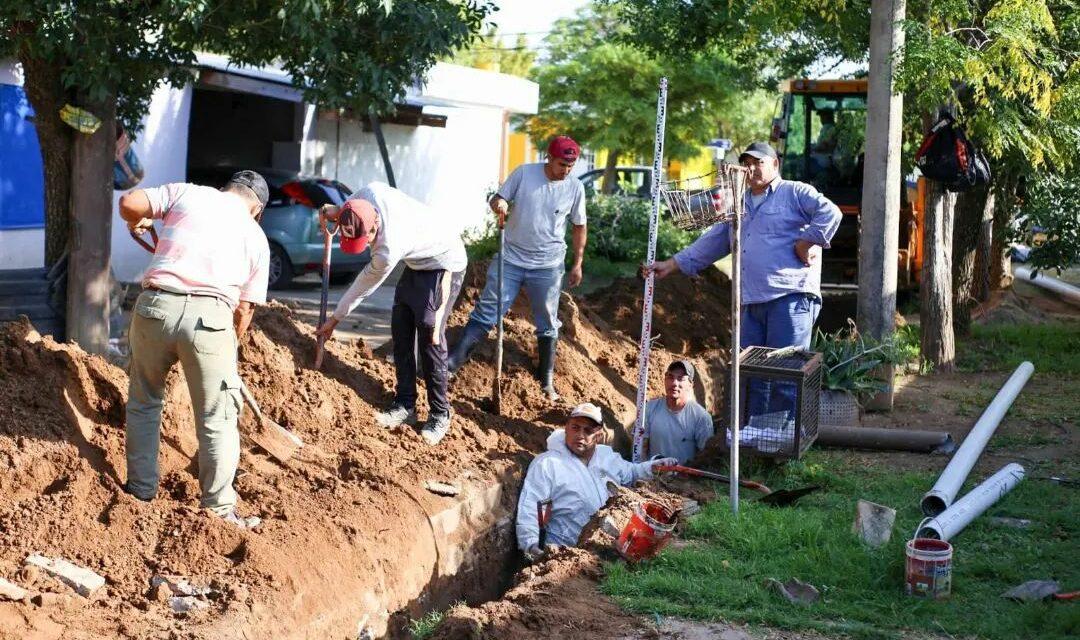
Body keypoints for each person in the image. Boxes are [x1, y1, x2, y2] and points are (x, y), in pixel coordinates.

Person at [647, 142, 842, 421]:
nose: (751, 168)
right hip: (750, 300)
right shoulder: (741, 203)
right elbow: (714, 241)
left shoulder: (795, 192)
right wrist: (672, 264)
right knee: (750, 374)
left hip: (790, 298)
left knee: (784, 372)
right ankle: (753, 438)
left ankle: (781, 443)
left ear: (775, 164)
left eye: (758, 162)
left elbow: (831, 213)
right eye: (746, 163)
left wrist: (806, 242)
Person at [119, 170, 271, 528]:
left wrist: (138, 218)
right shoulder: (256, 236)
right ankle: (218, 510)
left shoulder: (187, 193)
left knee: (144, 401)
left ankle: (140, 491)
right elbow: (245, 308)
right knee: (217, 418)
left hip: (155, 308)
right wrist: (227, 346)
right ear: (257, 209)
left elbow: (128, 203)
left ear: (226, 188)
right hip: (211, 320)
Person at [315, 183, 467, 446]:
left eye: (366, 240)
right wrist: (337, 212)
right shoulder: (365, 195)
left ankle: (440, 414)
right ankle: (405, 404)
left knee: (430, 333)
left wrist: (335, 319)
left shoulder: (388, 248)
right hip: (417, 261)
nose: (365, 246)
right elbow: (348, 210)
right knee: (401, 328)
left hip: (444, 261)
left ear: (375, 227)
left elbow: (363, 286)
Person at [448, 135, 588, 400]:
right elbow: (498, 198)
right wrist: (498, 203)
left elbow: (580, 226)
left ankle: (545, 378)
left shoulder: (575, 187)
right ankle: (453, 363)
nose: (566, 170)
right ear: (549, 157)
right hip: (511, 259)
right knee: (489, 308)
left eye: (571, 166)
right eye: (561, 164)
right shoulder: (524, 174)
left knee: (547, 319)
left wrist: (578, 263)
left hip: (548, 265)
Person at [515, 403, 677, 561]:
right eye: (575, 427)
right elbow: (531, 507)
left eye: (588, 430)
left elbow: (631, 472)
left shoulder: (606, 457)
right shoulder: (548, 464)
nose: (580, 435)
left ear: (599, 435)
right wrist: (532, 545)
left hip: (606, 548)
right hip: (565, 554)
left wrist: (653, 467)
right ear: (566, 428)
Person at [640, 360, 713, 464]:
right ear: (665, 380)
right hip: (653, 476)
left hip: (684, 478)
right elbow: (641, 446)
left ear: (690, 385)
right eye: (670, 377)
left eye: (680, 379)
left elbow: (706, 456)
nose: (674, 383)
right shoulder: (650, 409)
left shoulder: (701, 417)